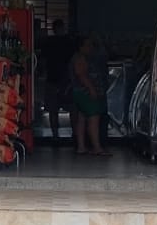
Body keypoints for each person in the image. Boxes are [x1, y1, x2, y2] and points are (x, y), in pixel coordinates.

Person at [37, 17, 75, 145]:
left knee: (54, 111)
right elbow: (73, 62)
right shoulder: (69, 42)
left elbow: (42, 61)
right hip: (66, 80)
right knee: (71, 109)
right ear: (62, 28)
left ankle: (55, 135)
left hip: (52, 79)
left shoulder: (49, 42)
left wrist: (41, 71)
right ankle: (75, 134)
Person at [68, 34, 107, 157]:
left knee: (82, 118)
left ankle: (81, 147)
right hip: (85, 93)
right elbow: (81, 75)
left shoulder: (78, 57)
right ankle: (97, 147)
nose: (91, 48)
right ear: (81, 47)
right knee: (93, 118)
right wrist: (92, 90)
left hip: (78, 92)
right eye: (88, 45)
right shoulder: (80, 58)